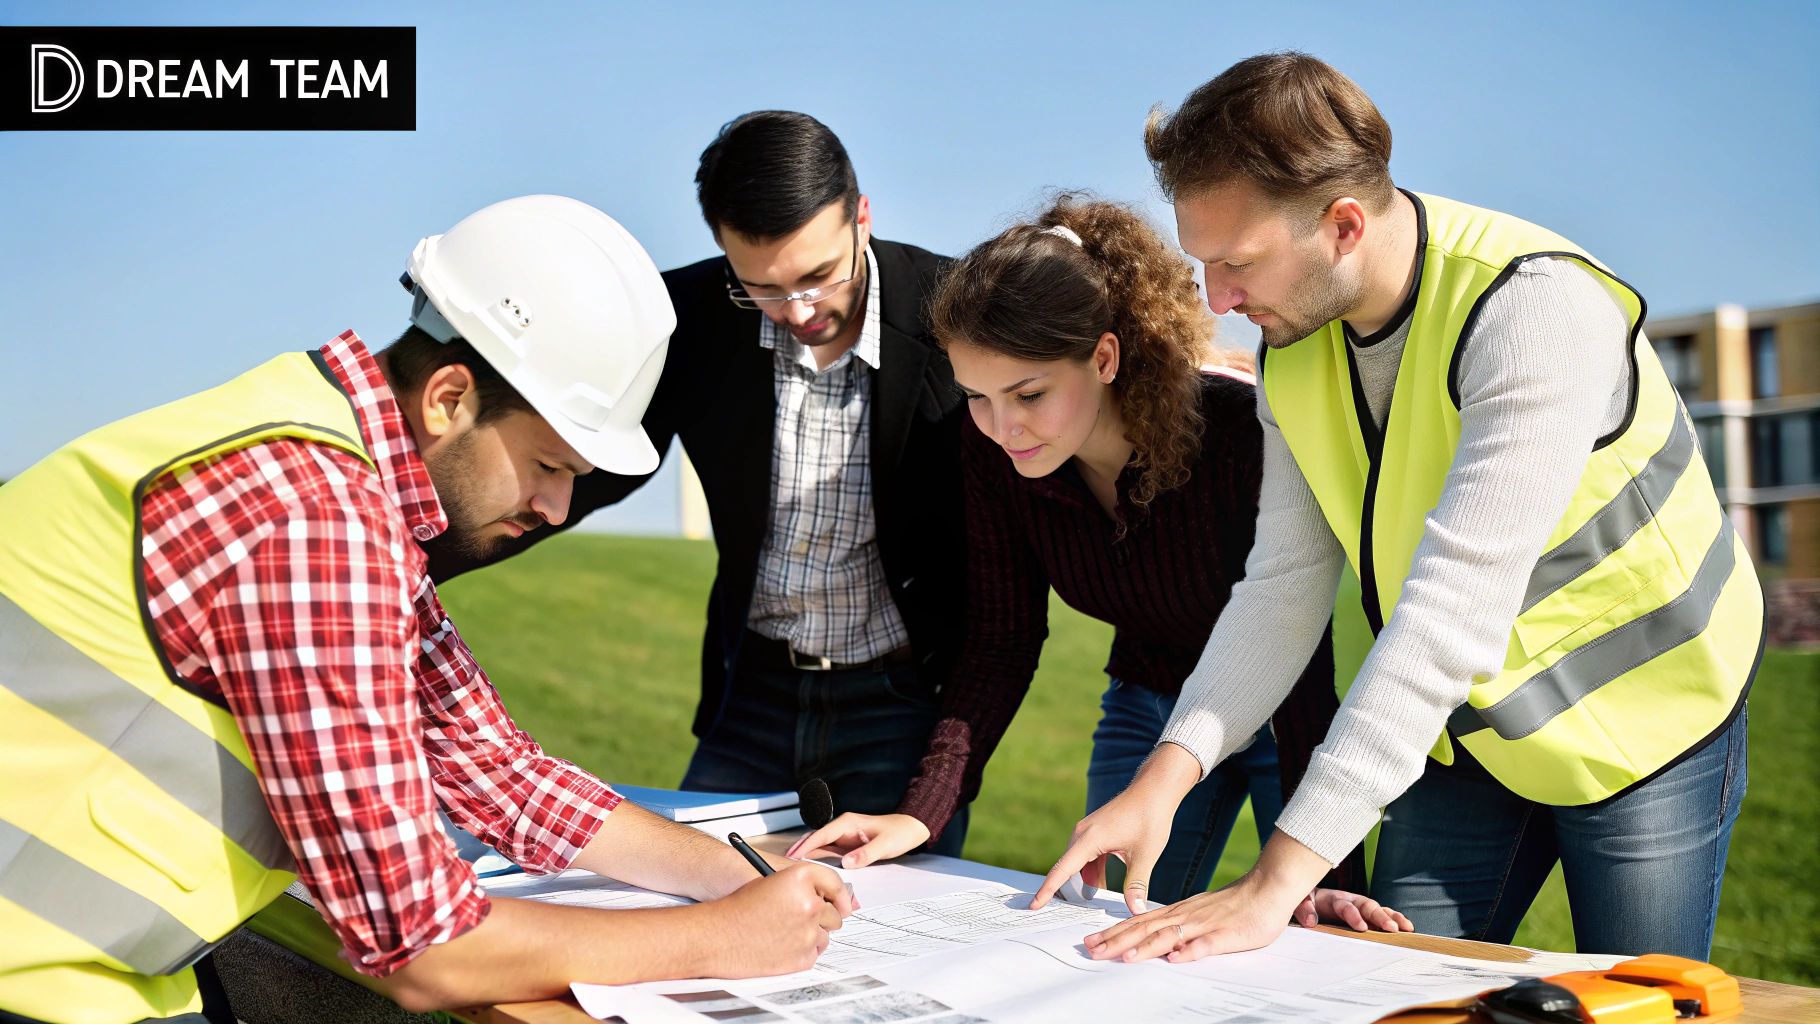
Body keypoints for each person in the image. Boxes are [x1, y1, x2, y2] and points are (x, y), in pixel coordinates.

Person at [0, 196, 852, 1024]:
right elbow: (421, 948)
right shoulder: (316, 522)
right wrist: (720, 936)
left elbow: (495, 769)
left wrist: (729, 874)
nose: (557, 509)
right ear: (448, 398)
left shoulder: (338, 474)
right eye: (549, 464)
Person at [1034, 53, 1761, 966]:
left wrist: (1274, 882)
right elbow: (1284, 587)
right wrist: (1166, 775)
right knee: (1390, 988)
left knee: (1646, 997)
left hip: (1649, 727)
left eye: (1236, 262)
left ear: (1343, 225)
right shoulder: (1290, 347)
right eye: (1202, 264)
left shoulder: (1534, 308)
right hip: (1463, 733)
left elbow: (1449, 610)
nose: (1215, 300)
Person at [789, 196, 1390, 916]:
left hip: (1294, 704)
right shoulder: (994, 454)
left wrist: (1325, 871)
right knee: (1105, 926)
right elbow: (1000, 643)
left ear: (1104, 357)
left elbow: (1301, 640)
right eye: (977, 396)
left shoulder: (1238, 437)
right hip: (1145, 701)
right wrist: (921, 812)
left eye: (1029, 393)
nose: (1002, 426)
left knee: (1307, 928)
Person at [430, 112, 973, 853]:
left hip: (904, 703)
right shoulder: (683, 320)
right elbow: (577, 482)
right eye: (763, 290)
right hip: (750, 700)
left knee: (901, 934)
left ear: (862, 215)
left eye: (818, 276)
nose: (799, 311)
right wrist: (401, 563)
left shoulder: (958, 312)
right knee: (692, 900)